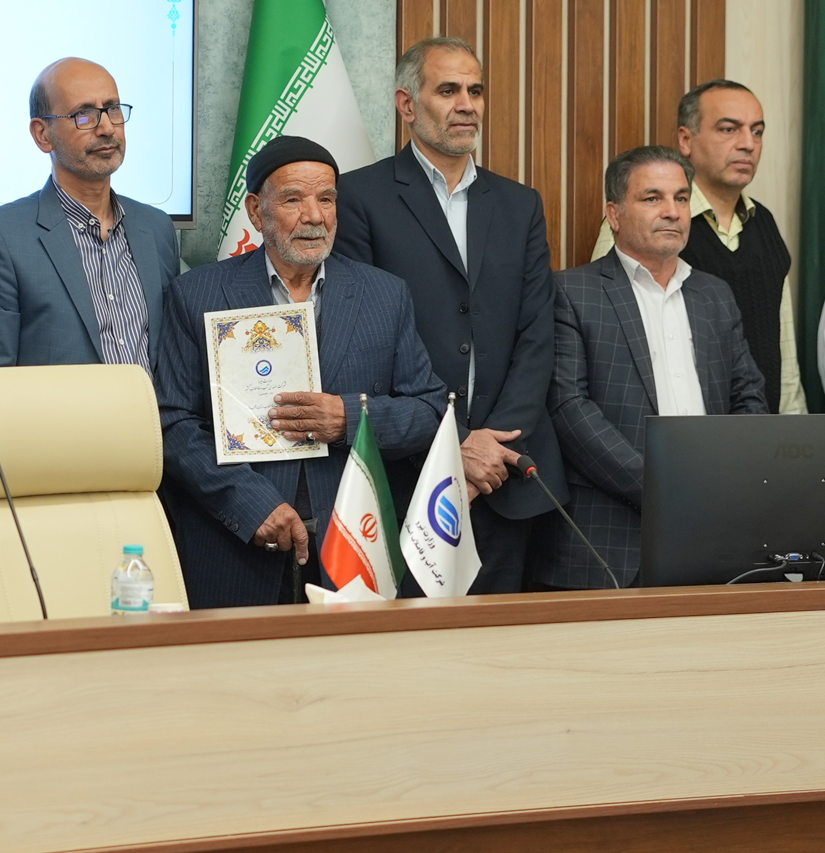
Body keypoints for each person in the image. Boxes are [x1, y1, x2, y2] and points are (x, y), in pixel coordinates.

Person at [156, 136, 445, 609]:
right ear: (256, 211)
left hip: (353, 548)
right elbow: (173, 423)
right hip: (236, 549)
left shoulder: (384, 295)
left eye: (326, 199)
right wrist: (252, 506)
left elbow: (428, 410)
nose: (314, 216)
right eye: (293, 200)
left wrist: (348, 418)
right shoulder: (197, 295)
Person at [334, 36, 567, 595]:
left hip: (507, 477)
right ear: (407, 105)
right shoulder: (359, 197)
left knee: (503, 643)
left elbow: (537, 334)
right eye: (448, 90)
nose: (467, 105)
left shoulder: (520, 204)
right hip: (410, 477)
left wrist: (494, 446)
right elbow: (366, 340)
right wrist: (456, 443)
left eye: (475, 91)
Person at [533, 147, 767, 589]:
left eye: (681, 198)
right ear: (614, 214)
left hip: (715, 533)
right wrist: (665, 490)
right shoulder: (572, 292)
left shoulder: (715, 295)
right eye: (652, 198)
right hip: (608, 543)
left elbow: (749, 396)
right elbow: (569, 408)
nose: (672, 212)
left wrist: (729, 482)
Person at [0, 57, 180, 369]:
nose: (106, 128)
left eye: (113, 109)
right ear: (42, 134)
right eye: (84, 114)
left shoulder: (155, 228)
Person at [591, 80, 803, 413]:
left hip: (757, 428)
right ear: (686, 140)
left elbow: (784, 347)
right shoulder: (645, 222)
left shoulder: (764, 223)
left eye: (757, 131)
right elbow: (604, 334)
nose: (748, 144)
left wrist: (792, 424)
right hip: (660, 431)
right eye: (729, 129)